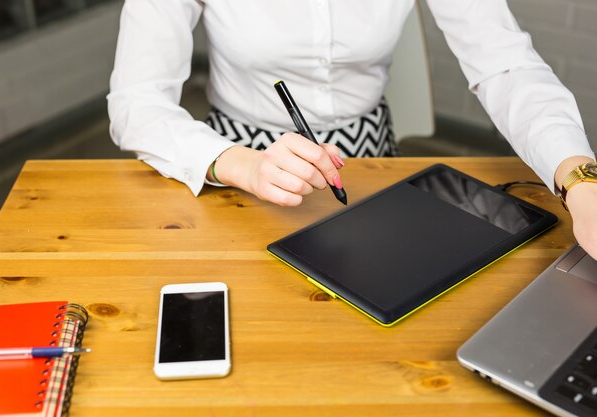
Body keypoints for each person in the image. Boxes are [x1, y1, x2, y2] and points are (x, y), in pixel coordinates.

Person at [107, 0, 596, 260]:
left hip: (368, 156)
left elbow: (505, 65)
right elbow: (137, 101)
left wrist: (580, 179)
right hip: (236, 163)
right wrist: (240, 163)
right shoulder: (238, 163)